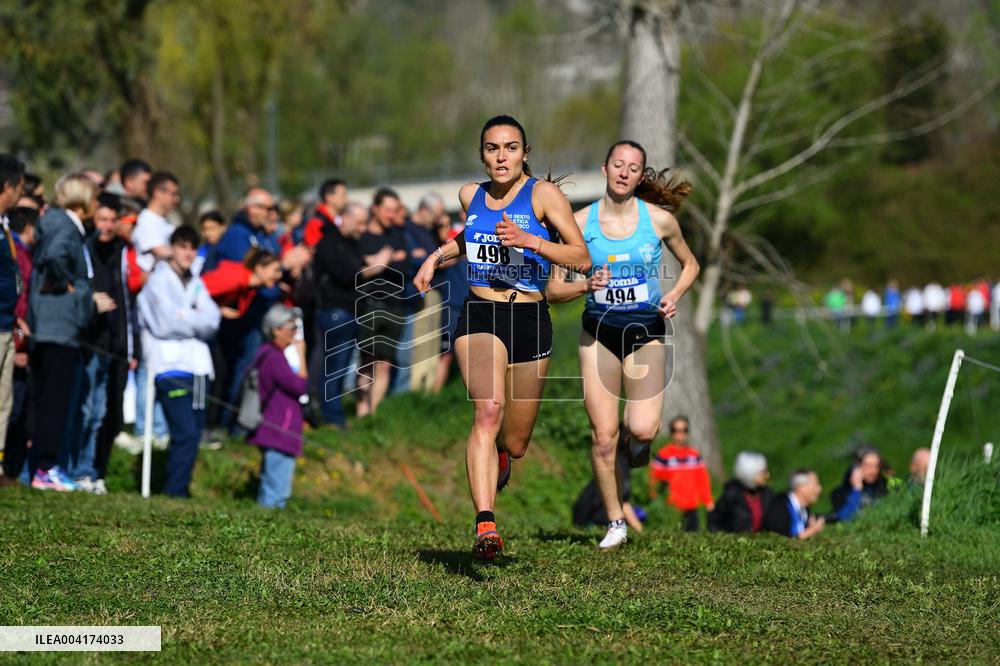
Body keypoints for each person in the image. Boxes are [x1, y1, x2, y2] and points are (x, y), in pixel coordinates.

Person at [413, 114, 590, 560]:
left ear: (525, 153)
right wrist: (435, 257)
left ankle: (501, 460)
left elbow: (581, 257)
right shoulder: (470, 195)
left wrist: (532, 242)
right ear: (482, 155)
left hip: (530, 318)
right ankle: (485, 525)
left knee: (514, 441)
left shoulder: (543, 195)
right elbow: (467, 237)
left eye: (510, 147)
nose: (501, 156)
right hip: (480, 313)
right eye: (492, 148)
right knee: (488, 410)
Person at [546, 139, 700, 548]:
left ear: (639, 175)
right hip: (598, 334)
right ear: (605, 167)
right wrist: (585, 284)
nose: (624, 172)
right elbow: (553, 291)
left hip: (646, 331)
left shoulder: (659, 221)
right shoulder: (578, 224)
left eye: (633, 167)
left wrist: (674, 296)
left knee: (642, 427)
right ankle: (616, 521)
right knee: (603, 436)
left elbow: (691, 265)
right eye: (618, 164)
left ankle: (639, 447)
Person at [28, 174, 113, 491]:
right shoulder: (65, 227)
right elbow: (55, 257)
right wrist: (71, 287)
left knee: (52, 399)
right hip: (58, 325)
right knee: (54, 400)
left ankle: (44, 466)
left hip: (55, 325)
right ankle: (45, 468)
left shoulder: (59, 225)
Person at [137, 226, 220, 497]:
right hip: (169, 366)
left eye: (193, 248)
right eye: (183, 246)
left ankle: (180, 489)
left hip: (198, 368)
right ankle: (174, 492)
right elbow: (162, 324)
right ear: (172, 247)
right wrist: (195, 319)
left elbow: (213, 320)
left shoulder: (196, 282)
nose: (188, 253)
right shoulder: (158, 281)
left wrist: (185, 317)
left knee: (194, 433)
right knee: (183, 431)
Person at [71, 194, 137, 493]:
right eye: (102, 220)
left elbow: (128, 300)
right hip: (90, 342)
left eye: (113, 220)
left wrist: (130, 346)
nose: (107, 226)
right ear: (92, 221)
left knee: (105, 413)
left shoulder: (124, 252)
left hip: (116, 344)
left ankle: (95, 470)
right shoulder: (84, 250)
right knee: (86, 410)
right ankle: (78, 469)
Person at [312, 202, 392, 426]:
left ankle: (332, 416)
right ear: (344, 218)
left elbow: (354, 264)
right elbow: (345, 275)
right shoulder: (329, 243)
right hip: (335, 312)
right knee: (334, 369)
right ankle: (332, 419)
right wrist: (375, 267)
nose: (362, 227)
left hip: (351, 312)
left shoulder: (351, 244)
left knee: (341, 367)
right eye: (358, 222)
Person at [355, 188, 413, 417]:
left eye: (395, 210)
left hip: (395, 304)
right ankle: (361, 410)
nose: (391, 215)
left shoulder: (398, 236)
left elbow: (405, 267)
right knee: (367, 360)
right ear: (375, 209)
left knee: (385, 363)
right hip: (370, 304)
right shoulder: (362, 238)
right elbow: (359, 269)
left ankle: (373, 414)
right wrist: (385, 261)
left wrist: (380, 263)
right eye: (387, 209)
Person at [248, 304, 309, 508]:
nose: (294, 332)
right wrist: (301, 355)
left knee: (273, 485)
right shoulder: (273, 357)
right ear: (275, 329)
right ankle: (264, 534)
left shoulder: (269, 354)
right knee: (277, 491)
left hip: (277, 428)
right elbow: (300, 386)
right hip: (279, 430)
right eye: (290, 327)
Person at [0, 205, 37, 487]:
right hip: (7, 327)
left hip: (10, 326)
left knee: (6, 402)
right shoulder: (17, 248)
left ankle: (3, 467)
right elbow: (18, 291)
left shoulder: (9, 236)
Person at [0, 155, 26, 465]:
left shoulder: (5, 225)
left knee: (4, 399)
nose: (20, 193)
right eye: (18, 187)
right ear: (7, 186)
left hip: (7, 322)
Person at [649, 416, 715, 533]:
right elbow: (653, 478)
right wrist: (653, 497)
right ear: (671, 432)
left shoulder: (694, 455)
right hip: (672, 507)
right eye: (676, 430)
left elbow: (703, 480)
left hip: (691, 506)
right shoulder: (663, 455)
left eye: (684, 430)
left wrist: (708, 500)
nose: (680, 434)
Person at [708, 451, 774, 534]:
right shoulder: (731, 496)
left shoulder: (767, 495)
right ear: (750, 474)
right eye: (762, 473)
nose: (767, 475)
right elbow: (714, 521)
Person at [762, 469, 826, 539]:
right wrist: (810, 531)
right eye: (816, 485)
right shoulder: (779, 506)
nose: (819, 489)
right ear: (802, 487)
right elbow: (777, 539)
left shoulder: (805, 510)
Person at [830, 446, 889, 522]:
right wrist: (856, 489)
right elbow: (846, 518)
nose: (874, 471)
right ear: (857, 467)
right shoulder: (840, 493)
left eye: (876, 466)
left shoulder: (884, 485)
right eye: (868, 466)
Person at [303, 178, 347, 248]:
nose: (346, 199)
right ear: (329, 197)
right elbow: (313, 249)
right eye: (343, 195)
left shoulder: (341, 218)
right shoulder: (316, 222)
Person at [193, 210, 226, 276]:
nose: (208, 233)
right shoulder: (199, 252)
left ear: (223, 228)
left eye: (212, 228)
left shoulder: (229, 250)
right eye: (205, 229)